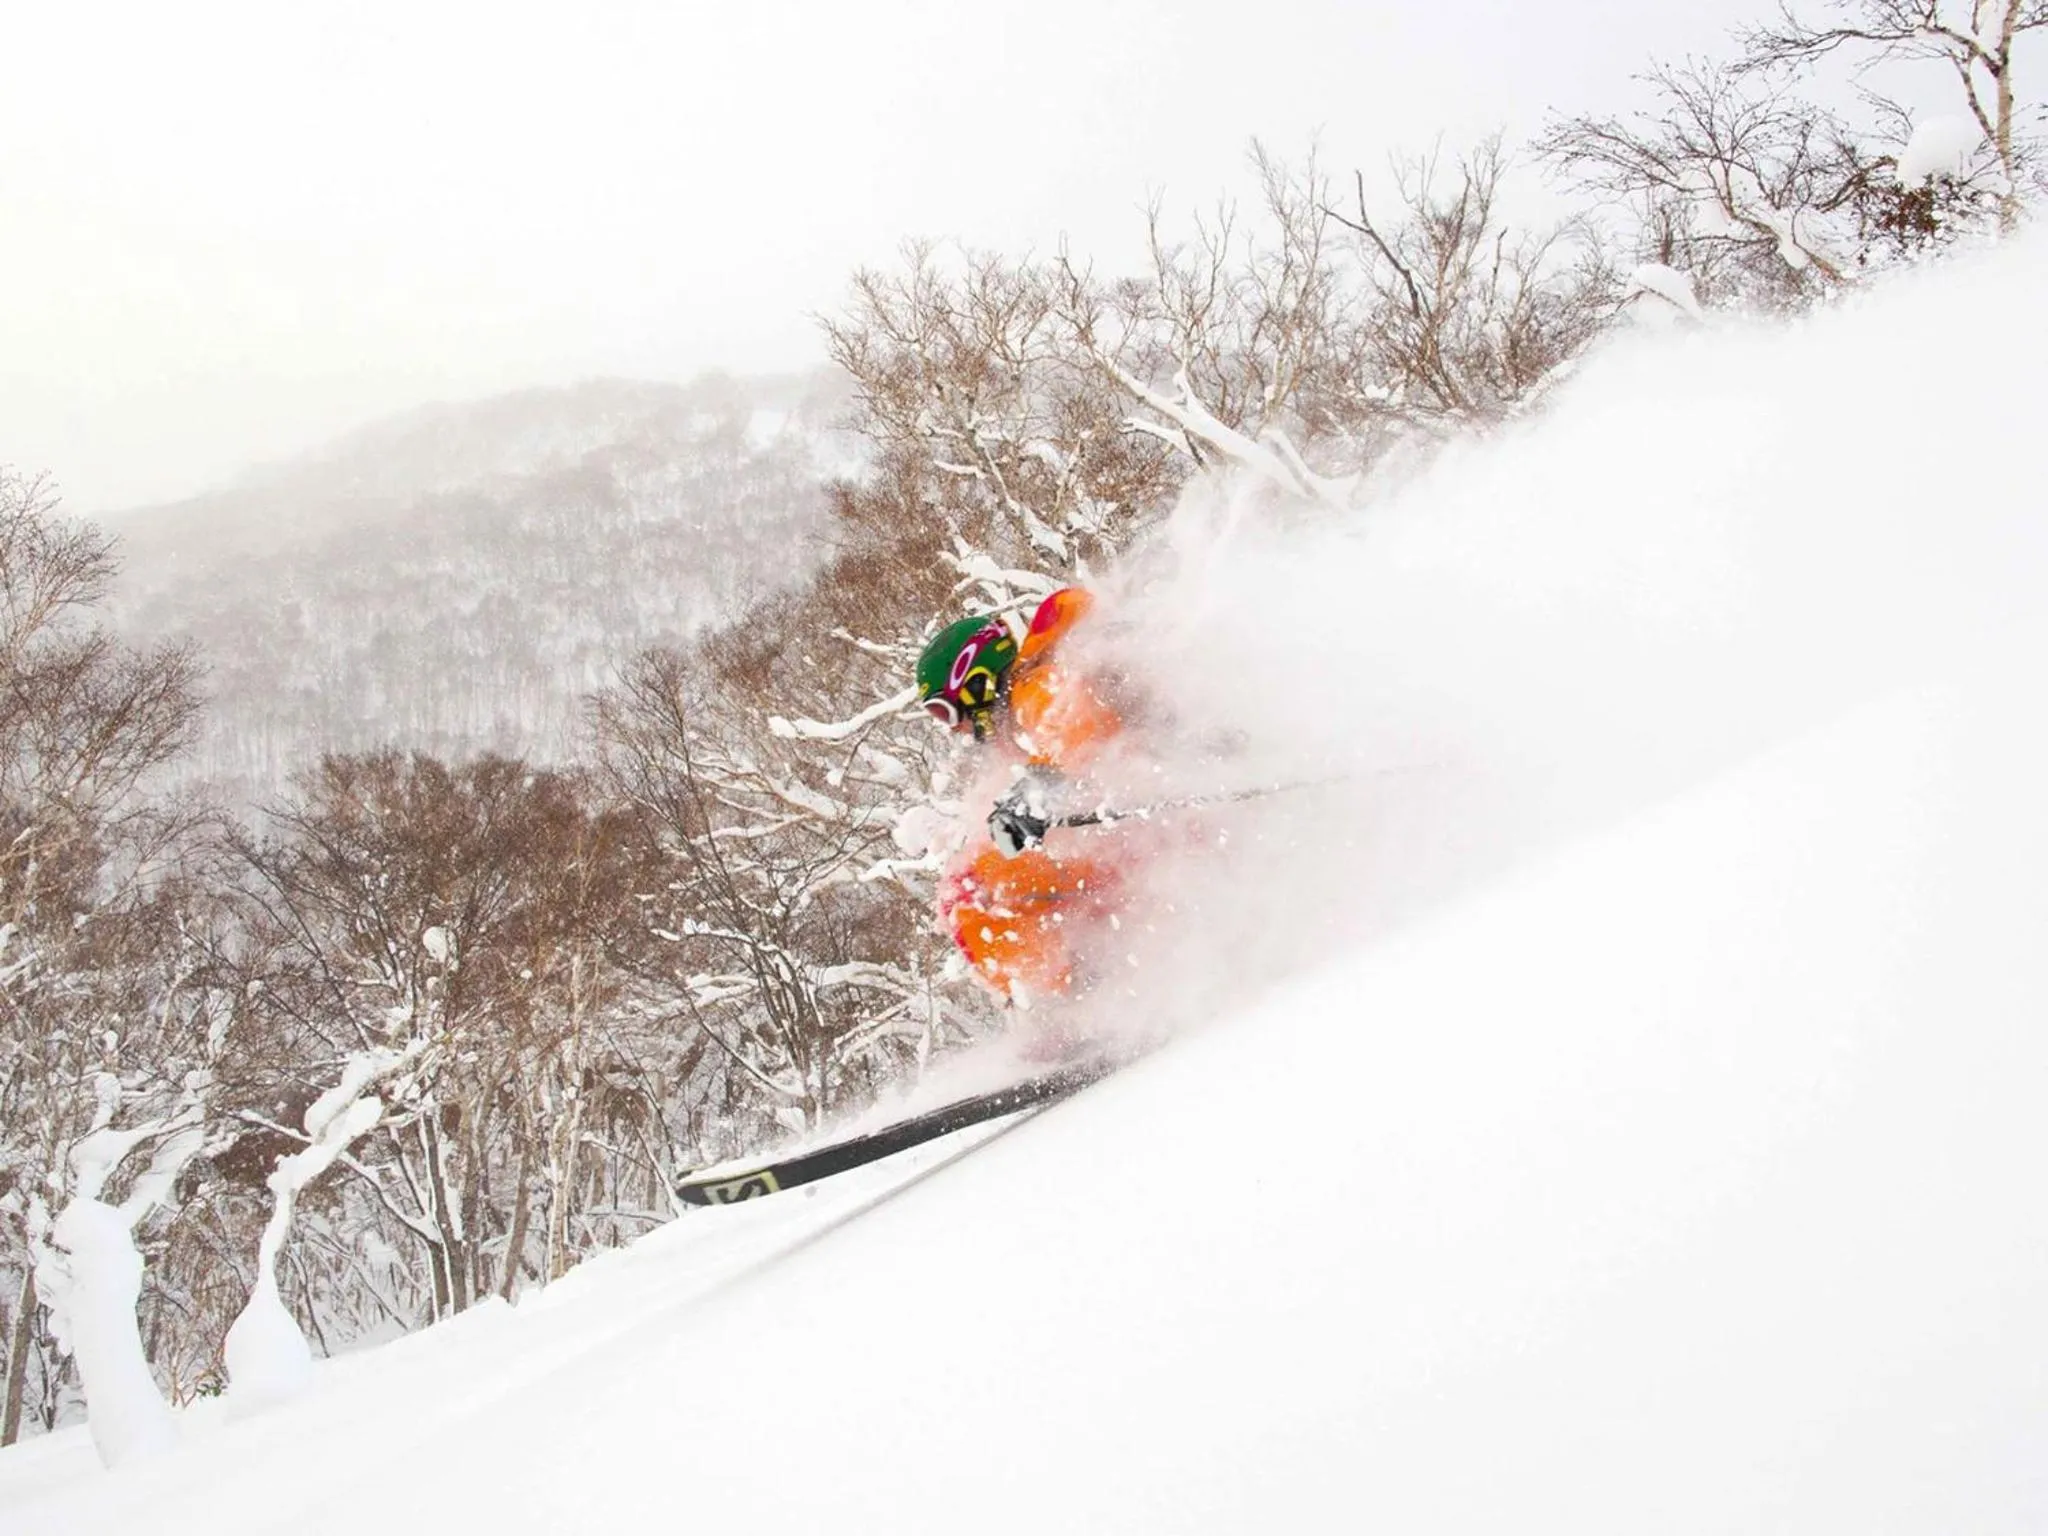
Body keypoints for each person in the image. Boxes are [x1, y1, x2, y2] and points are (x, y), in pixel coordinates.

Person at [915, 587, 1132, 1007]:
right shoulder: (1021, 711)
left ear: (974, 681)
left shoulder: (1032, 688)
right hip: (1135, 843)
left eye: (945, 711)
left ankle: (1075, 997)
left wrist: (1036, 795)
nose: (951, 727)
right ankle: (1081, 986)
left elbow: (1077, 728)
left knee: (968, 892)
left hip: (1150, 838)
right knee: (982, 877)